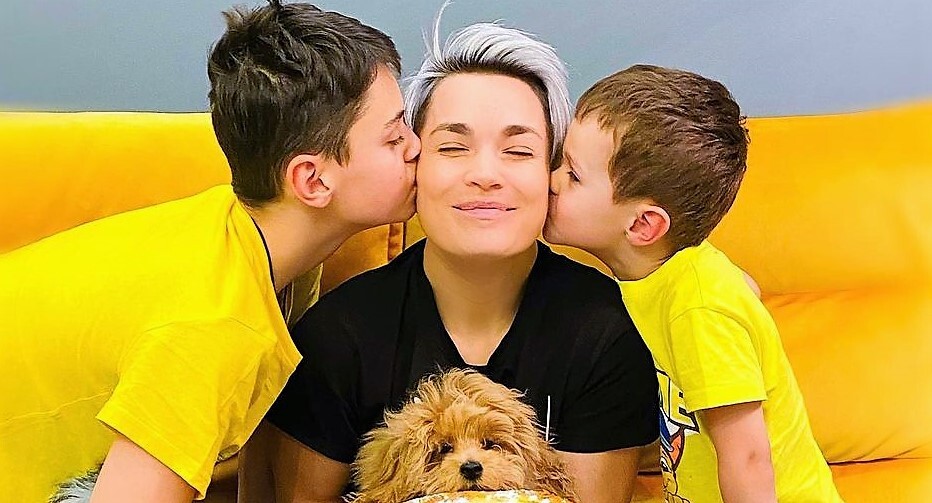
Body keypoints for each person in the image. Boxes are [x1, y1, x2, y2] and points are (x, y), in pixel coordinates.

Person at [0, 1, 420, 501]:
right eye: (394, 137)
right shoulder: (213, 327)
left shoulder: (267, 243)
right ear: (312, 180)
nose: (416, 146)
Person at [247, 16, 659, 503]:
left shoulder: (605, 330)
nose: (484, 174)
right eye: (453, 147)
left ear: (553, 172)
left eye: (518, 150)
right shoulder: (338, 336)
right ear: (412, 162)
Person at [544, 64, 842, 502]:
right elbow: (745, 287)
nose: (551, 180)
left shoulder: (697, 308)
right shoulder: (679, 277)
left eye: (572, 174)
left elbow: (748, 458)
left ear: (643, 225)